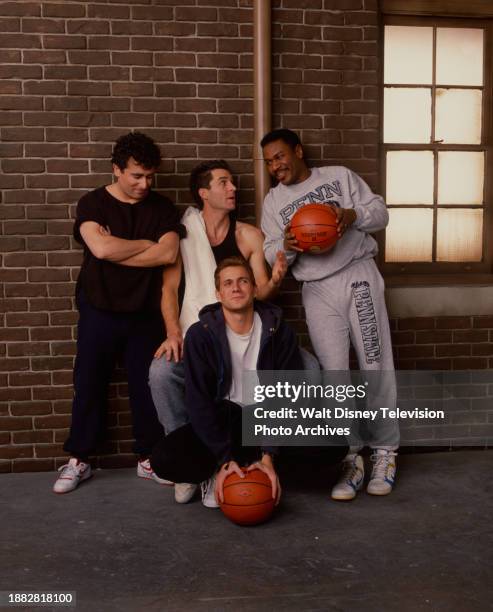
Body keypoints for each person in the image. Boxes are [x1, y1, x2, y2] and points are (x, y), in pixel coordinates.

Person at [260, 128, 398, 501]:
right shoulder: (273, 202)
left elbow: (381, 213)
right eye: (269, 161)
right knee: (334, 372)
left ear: (298, 151)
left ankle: (385, 451)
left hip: (358, 275)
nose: (275, 166)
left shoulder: (339, 176)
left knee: (374, 361)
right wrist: (286, 247)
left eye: (280, 156)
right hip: (316, 288)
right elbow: (271, 252)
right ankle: (350, 456)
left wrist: (353, 215)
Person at [148, 160, 290, 504]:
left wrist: (272, 282)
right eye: (223, 183)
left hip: (247, 332)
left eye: (233, 183)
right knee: (162, 373)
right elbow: (169, 289)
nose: (232, 189)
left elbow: (256, 291)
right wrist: (173, 333)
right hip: (200, 335)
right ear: (203, 193)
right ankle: (191, 464)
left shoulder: (248, 235)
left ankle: (271, 457)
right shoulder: (184, 234)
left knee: (310, 371)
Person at [53, 132, 185, 494]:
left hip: (145, 312)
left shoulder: (161, 208)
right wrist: (146, 245)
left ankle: (148, 458)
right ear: (116, 170)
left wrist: (121, 249)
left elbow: (168, 255)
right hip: (99, 308)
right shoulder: (93, 203)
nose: (145, 184)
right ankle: (79, 459)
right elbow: (99, 247)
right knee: (89, 383)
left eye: (150, 176)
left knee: (146, 388)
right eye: (136, 176)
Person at [151, 257, 304, 508]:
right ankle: (218, 469)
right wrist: (224, 459)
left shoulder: (279, 330)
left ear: (255, 289)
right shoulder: (200, 334)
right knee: (163, 458)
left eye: (243, 281)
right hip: (226, 418)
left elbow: (287, 395)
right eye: (228, 283)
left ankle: (260, 464)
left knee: (332, 446)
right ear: (219, 294)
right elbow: (198, 401)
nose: (236, 288)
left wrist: (269, 455)